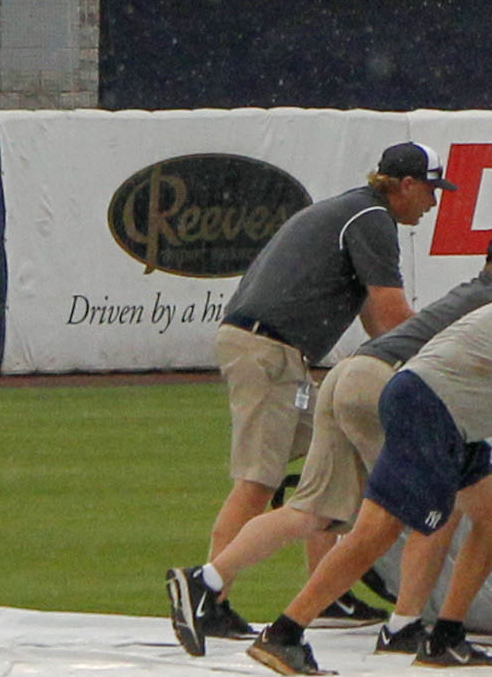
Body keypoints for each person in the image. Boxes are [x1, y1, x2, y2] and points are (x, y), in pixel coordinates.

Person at [246, 231, 492, 676]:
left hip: (437, 409)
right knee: (380, 528)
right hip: (426, 404)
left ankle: (443, 633)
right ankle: (288, 631)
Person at [175, 224, 492, 659]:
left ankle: (205, 579)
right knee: (432, 507)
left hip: (348, 372)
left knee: (313, 510)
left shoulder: (469, 295)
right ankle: (402, 626)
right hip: (386, 382)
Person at [165, 141, 442, 649]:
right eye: (430, 190)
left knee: (330, 465)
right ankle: (207, 593)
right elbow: (391, 311)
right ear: (405, 186)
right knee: (258, 480)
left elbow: (376, 320)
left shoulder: (353, 211)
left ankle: (327, 594)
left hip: (274, 349)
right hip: (267, 350)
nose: (432, 202)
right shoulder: (372, 219)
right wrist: (444, 351)